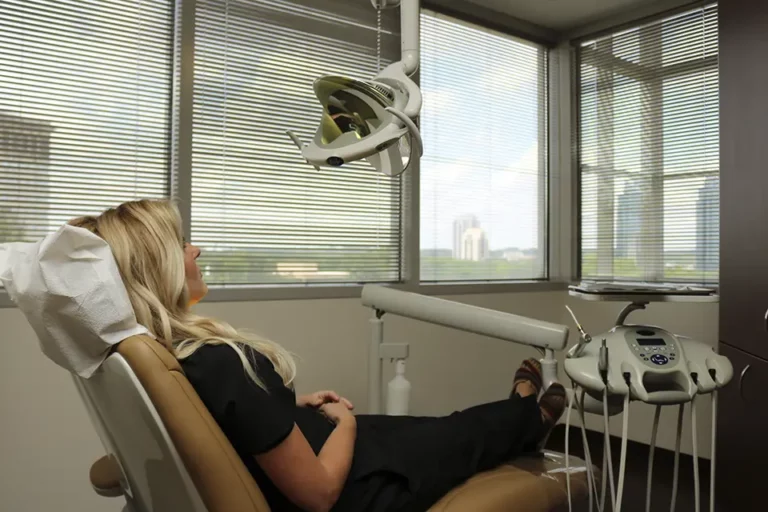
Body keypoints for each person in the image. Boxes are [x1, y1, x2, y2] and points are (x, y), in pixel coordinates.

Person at [70, 199, 567, 512]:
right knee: (462, 433)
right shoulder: (218, 359)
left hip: (311, 446)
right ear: (157, 267)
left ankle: (520, 413)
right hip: (359, 488)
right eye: (180, 243)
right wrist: (344, 425)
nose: (195, 250)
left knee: (436, 425)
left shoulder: (164, 352)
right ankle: (532, 410)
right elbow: (319, 494)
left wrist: (282, 411)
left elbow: (213, 429)